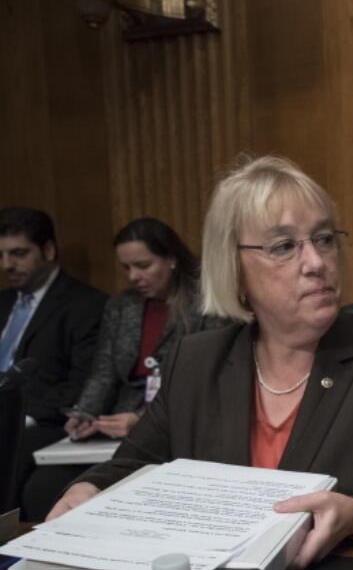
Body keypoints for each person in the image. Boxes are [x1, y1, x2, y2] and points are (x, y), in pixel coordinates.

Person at [48, 157, 353, 567]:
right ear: (234, 270)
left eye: (324, 239)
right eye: (284, 246)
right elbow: (133, 465)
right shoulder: (197, 360)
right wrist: (90, 487)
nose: (316, 262)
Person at [20, 218, 220, 521]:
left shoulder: (208, 303)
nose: (133, 276)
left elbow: (207, 382)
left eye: (143, 265)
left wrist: (141, 421)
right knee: (42, 487)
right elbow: (103, 372)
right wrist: (83, 414)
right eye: (126, 268)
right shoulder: (121, 305)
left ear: (172, 259)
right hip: (115, 425)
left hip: (175, 421)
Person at [0, 207, 107, 501]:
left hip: (41, 422)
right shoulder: (3, 302)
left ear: (48, 250)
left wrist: (19, 416)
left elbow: (81, 384)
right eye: (2, 255)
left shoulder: (87, 305)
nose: (7, 264)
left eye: (18, 254)